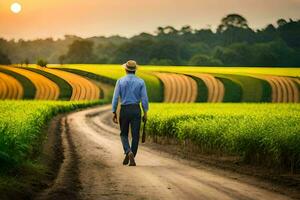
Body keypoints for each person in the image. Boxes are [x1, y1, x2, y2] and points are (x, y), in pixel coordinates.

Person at [112, 60, 149, 166]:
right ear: (135, 70)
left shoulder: (120, 81)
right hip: (136, 109)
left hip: (124, 109)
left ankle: (128, 152)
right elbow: (144, 99)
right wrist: (145, 112)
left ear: (125, 69)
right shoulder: (141, 82)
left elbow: (115, 98)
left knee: (123, 134)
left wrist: (114, 111)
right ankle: (131, 154)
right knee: (135, 135)